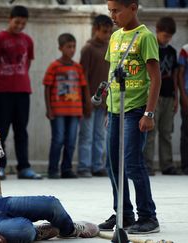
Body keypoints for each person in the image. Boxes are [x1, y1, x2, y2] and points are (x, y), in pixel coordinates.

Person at [98, 0, 161, 234]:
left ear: (133, 7)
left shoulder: (145, 37)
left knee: (132, 163)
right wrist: (108, 108)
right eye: (110, 11)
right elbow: (113, 75)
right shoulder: (114, 38)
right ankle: (123, 214)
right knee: (112, 163)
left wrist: (149, 113)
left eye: (117, 10)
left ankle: (148, 216)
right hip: (115, 109)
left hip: (136, 110)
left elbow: (156, 78)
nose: (113, 15)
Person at [0, 5, 41, 180]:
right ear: (10, 19)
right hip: (2, 90)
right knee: (1, 131)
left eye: (23, 23)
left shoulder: (27, 40)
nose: (20, 25)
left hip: (22, 90)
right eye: (17, 22)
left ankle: (24, 167)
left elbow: (28, 63)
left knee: (21, 130)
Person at [43, 33, 90, 179]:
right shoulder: (54, 66)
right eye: (68, 47)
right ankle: (53, 169)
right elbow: (47, 87)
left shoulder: (78, 67)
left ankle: (67, 169)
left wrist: (87, 105)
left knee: (71, 141)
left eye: (74, 46)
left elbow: (83, 87)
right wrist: (49, 109)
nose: (72, 50)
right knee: (58, 140)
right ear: (60, 48)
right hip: (58, 111)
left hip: (75, 111)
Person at [77, 15, 113, 178]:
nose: (107, 35)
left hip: (104, 100)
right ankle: (84, 166)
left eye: (109, 32)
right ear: (96, 29)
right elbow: (82, 75)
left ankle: (97, 165)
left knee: (100, 134)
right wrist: (86, 100)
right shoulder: (88, 49)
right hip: (90, 99)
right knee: (87, 134)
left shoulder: (110, 47)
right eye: (104, 31)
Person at [144, 16, 181, 176]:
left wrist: (176, 96)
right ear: (157, 32)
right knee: (151, 132)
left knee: (166, 132)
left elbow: (174, 75)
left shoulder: (172, 52)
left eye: (170, 37)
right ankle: (147, 164)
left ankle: (167, 164)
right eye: (165, 35)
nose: (167, 39)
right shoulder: (152, 48)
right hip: (154, 96)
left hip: (168, 95)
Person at [179, 43, 188, 175]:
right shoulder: (185, 50)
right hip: (187, 93)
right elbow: (180, 74)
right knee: (186, 131)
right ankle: (185, 164)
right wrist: (183, 96)